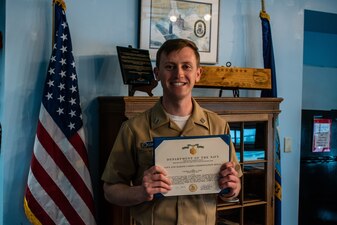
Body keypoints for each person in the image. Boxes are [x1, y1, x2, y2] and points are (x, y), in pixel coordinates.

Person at [102, 38, 242, 225]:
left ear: (198, 73)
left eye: (186, 66)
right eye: (170, 67)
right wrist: (141, 192)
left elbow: (235, 184)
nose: (179, 74)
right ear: (157, 73)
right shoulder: (133, 128)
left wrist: (232, 187)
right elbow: (110, 190)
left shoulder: (218, 126)